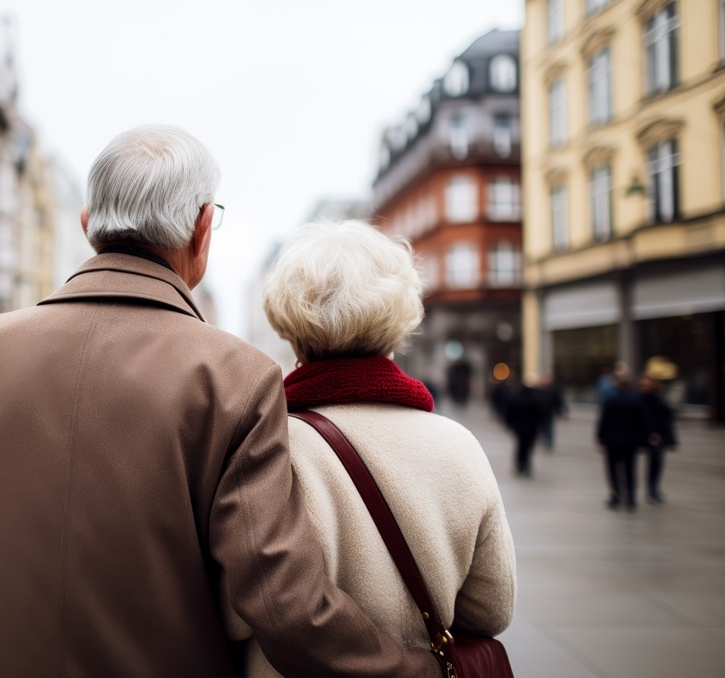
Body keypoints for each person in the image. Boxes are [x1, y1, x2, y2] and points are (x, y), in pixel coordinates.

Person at [0, 126, 442, 677]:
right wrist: (419, 669)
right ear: (203, 229)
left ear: (88, 225)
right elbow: (282, 603)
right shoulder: (238, 377)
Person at [241, 220, 515, 675]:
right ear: (401, 315)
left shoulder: (266, 446)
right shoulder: (458, 445)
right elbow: (491, 611)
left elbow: (235, 613)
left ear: (288, 321)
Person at [597, 371, 649, 511]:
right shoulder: (636, 399)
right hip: (631, 442)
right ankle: (631, 497)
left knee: (613, 469)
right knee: (630, 469)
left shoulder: (610, 399)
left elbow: (603, 421)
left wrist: (600, 438)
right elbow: (643, 421)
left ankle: (616, 494)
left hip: (612, 441)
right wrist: (643, 439)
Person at [639, 376, 676, 504]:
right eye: (644, 386)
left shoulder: (659, 401)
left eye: (648, 386)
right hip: (644, 435)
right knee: (652, 462)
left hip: (658, 437)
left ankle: (653, 489)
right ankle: (651, 489)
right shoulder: (639, 400)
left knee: (656, 463)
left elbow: (667, 417)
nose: (646, 388)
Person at [503, 374, 544, 477]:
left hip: (519, 427)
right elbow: (540, 414)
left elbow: (509, 412)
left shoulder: (516, 397)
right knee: (527, 446)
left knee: (521, 446)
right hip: (531, 428)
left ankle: (521, 464)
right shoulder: (535, 398)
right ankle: (525, 464)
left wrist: (508, 423)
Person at [537, 373, 566, 452]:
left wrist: (560, 411)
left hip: (548, 413)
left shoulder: (553, 390)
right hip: (540, 413)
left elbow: (558, 401)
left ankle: (549, 442)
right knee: (541, 428)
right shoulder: (539, 389)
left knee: (549, 428)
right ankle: (543, 440)